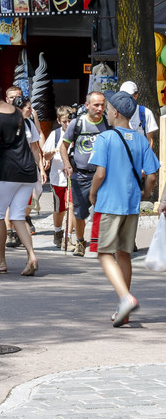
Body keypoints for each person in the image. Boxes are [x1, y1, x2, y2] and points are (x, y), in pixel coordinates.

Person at [91, 89, 159, 326]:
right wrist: (146, 194)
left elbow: (100, 173)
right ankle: (124, 308)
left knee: (104, 253)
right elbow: (151, 175)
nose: (106, 112)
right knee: (124, 254)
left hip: (110, 203)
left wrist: (92, 193)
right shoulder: (141, 139)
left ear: (116, 112)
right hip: (131, 204)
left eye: (108, 109)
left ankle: (125, 297)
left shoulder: (105, 138)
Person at [0, 80, 44, 276]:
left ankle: (0, 261)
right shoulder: (17, 113)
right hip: (27, 172)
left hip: (7, 172)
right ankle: (31, 255)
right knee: (17, 216)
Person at [59, 91, 109, 257]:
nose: (100, 108)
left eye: (102, 105)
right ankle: (80, 241)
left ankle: (103, 243)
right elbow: (63, 146)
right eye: (96, 105)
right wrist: (67, 164)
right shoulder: (77, 123)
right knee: (80, 213)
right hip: (81, 176)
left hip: (104, 175)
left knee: (105, 211)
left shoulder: (108, 123)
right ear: (87, 105)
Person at [42, 105, 75, 249]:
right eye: (64, 121)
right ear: (59, 121)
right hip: (58, 177)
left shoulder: (77, 133)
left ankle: (68, 237)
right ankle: (57, 232)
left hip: (73, 177)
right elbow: (45, 155)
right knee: (59, 208)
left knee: (71, 207)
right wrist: (55, 151)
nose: (67, 124)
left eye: (69, 121)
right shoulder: (55, 135)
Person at [120, 80, 158, 149]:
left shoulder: (146, 113)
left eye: (129, 97)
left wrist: (147, 158)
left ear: (136, 96)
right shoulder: (116, 113)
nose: (126, 99)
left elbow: (150, 140)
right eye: (123, 96)